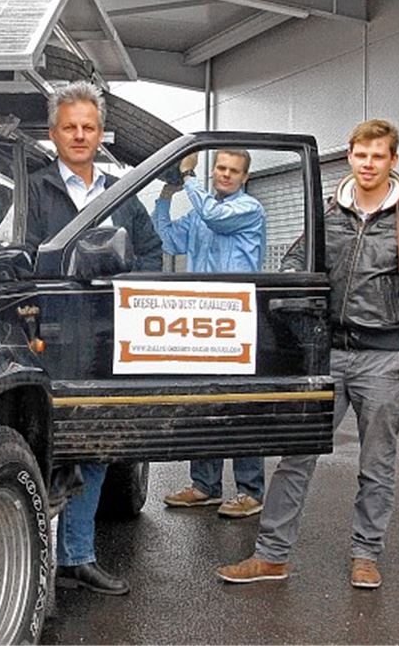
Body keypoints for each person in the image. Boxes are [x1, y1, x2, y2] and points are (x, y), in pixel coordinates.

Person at [217, 118, 399, 589]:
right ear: (350, 156)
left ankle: (366, 554)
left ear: (392, 161)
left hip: (382, 359)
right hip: (327, 356)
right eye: (361, 155)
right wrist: (297, 330)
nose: (368, 164)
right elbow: (294, 265)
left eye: (378, 156)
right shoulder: (329, 214)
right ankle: (271, 555)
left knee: (376, 463)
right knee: (295, 457)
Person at [27, 81, 162, 596]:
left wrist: (127, 289)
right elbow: (21, 256)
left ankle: (77, 557)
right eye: (69, 127)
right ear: (53, 133)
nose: (79, 135)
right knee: (44, 449)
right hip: (49, 337)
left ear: (101, 133)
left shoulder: (121, 194)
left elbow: (151, 251)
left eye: (88, 127)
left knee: (97, 447)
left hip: (106, 338)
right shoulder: (34, 191)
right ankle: (33, 564)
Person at [153, 149, 268, 518]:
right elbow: (169, 240)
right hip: (202, 317)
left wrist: (187, 179)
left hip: (237, 317)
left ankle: (250, 492)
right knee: (203, 402)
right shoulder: (199, 213)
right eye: (221, 168)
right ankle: (205, 486)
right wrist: (165, 197)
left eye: (234, 171)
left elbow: (215, 217)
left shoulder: (248, 209)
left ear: (244, 177)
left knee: (239, 405)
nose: (226, 175)